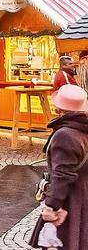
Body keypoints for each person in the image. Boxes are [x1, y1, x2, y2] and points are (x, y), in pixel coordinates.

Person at [36, 84, 88, 250]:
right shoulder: (82, 129)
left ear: (59, 109)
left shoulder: (65, 135)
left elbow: (62, 175)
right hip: (83, 195)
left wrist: (52, 205)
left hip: (69, 202)